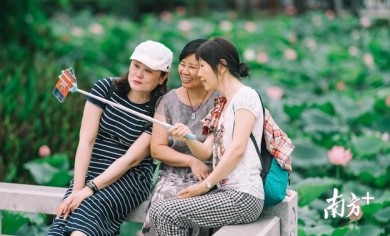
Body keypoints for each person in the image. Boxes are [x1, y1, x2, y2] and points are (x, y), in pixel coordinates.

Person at [46, 40, 173, 236]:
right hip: (92, 168)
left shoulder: (160, 108)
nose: (138, 74)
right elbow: (86, 141)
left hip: (130, 177)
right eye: (136, 66)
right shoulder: (105, 88)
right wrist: (77, 189)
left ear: (163, 77)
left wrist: (88, 190)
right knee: (64, 220)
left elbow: (131, 159)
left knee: (84, 220)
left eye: (148, 71)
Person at [149, 37, 265, 235]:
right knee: (159, 210)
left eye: (201, 66)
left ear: (221, 67)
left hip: (244, 195)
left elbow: (238, 149)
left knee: (167, 212)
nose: (199, 74)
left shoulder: (246, 96)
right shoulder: (222, 105)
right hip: (225, 192)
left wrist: (205, 185)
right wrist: (187, 137)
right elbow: (204, 153)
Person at [142, 39, 221, 236]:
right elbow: (157, 148)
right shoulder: (167, 101)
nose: (185, 71)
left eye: (192, 67)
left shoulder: (221, 100)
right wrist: (190, 160)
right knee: (167, 196)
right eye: (182, 65)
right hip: (173, 174)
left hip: (211, 175)